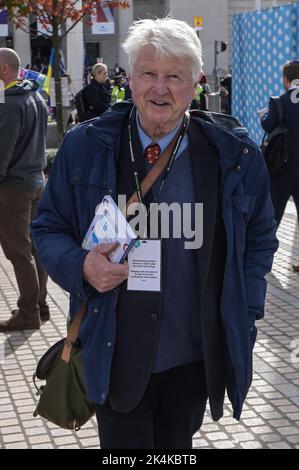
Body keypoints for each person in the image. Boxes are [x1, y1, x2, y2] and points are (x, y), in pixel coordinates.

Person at [31, 18, 278, 449]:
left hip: (192, 355)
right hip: (112, 346)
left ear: (196, 82)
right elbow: (48, 226)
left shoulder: (232, 155)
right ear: (129, 78)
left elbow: (259, 237)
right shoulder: (86, 146)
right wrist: (81, 266)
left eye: (174, 77)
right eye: (148, 73)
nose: (159, 89)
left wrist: (246, 309)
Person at [0, 48, 49, 332]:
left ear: (5, 68)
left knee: (19, 253)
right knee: (34, 249)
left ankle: (29, 312)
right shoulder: (36, 96)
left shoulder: (8, 102)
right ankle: (40, 307)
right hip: (35, 181)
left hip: (14, 187)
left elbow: (3, 147)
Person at [261, 60, 299, 270]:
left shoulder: (280, 101)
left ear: (286, 80)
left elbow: (268, 124)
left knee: (272, 216)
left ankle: (264, 261)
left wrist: (264, 115)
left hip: (282, 169)